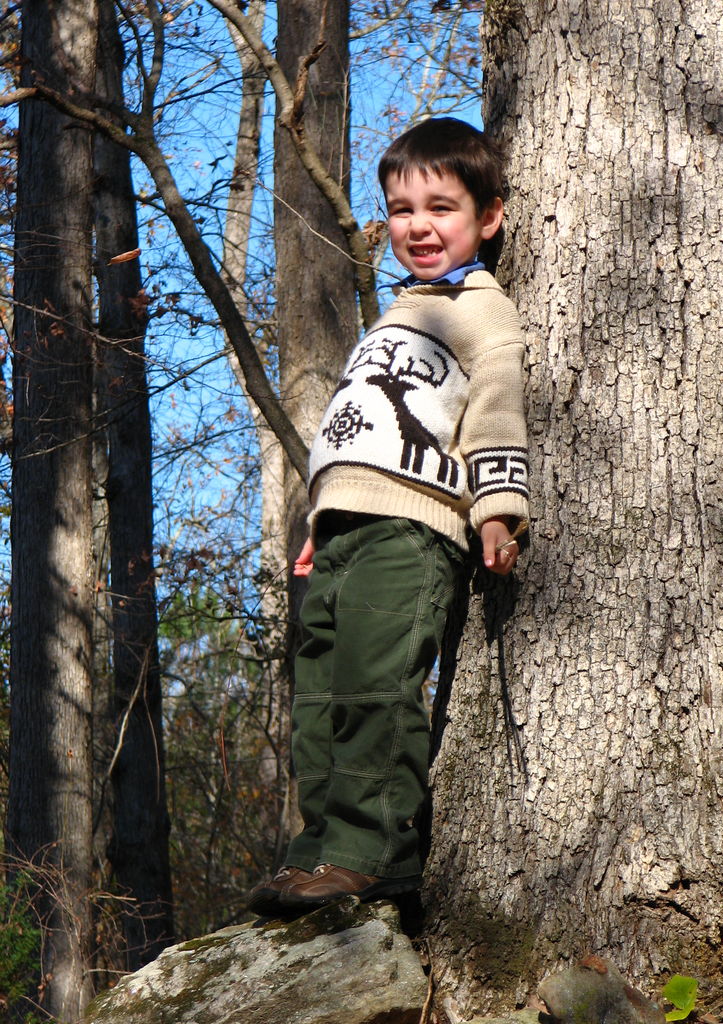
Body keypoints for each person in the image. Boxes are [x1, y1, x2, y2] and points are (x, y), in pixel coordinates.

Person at [248, 117, 530, 914]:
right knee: (318, 699)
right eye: (403, 211)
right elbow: (354, 425)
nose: (419, 226)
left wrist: (498, 511)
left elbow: (496, 409)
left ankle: (372, 856)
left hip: (414, 533)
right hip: (344, 532)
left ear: (489, 215)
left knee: (377, 689)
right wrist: (318, 519)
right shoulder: (397, 313)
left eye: (441, 208)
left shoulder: (482, 309)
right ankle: (317, 851)